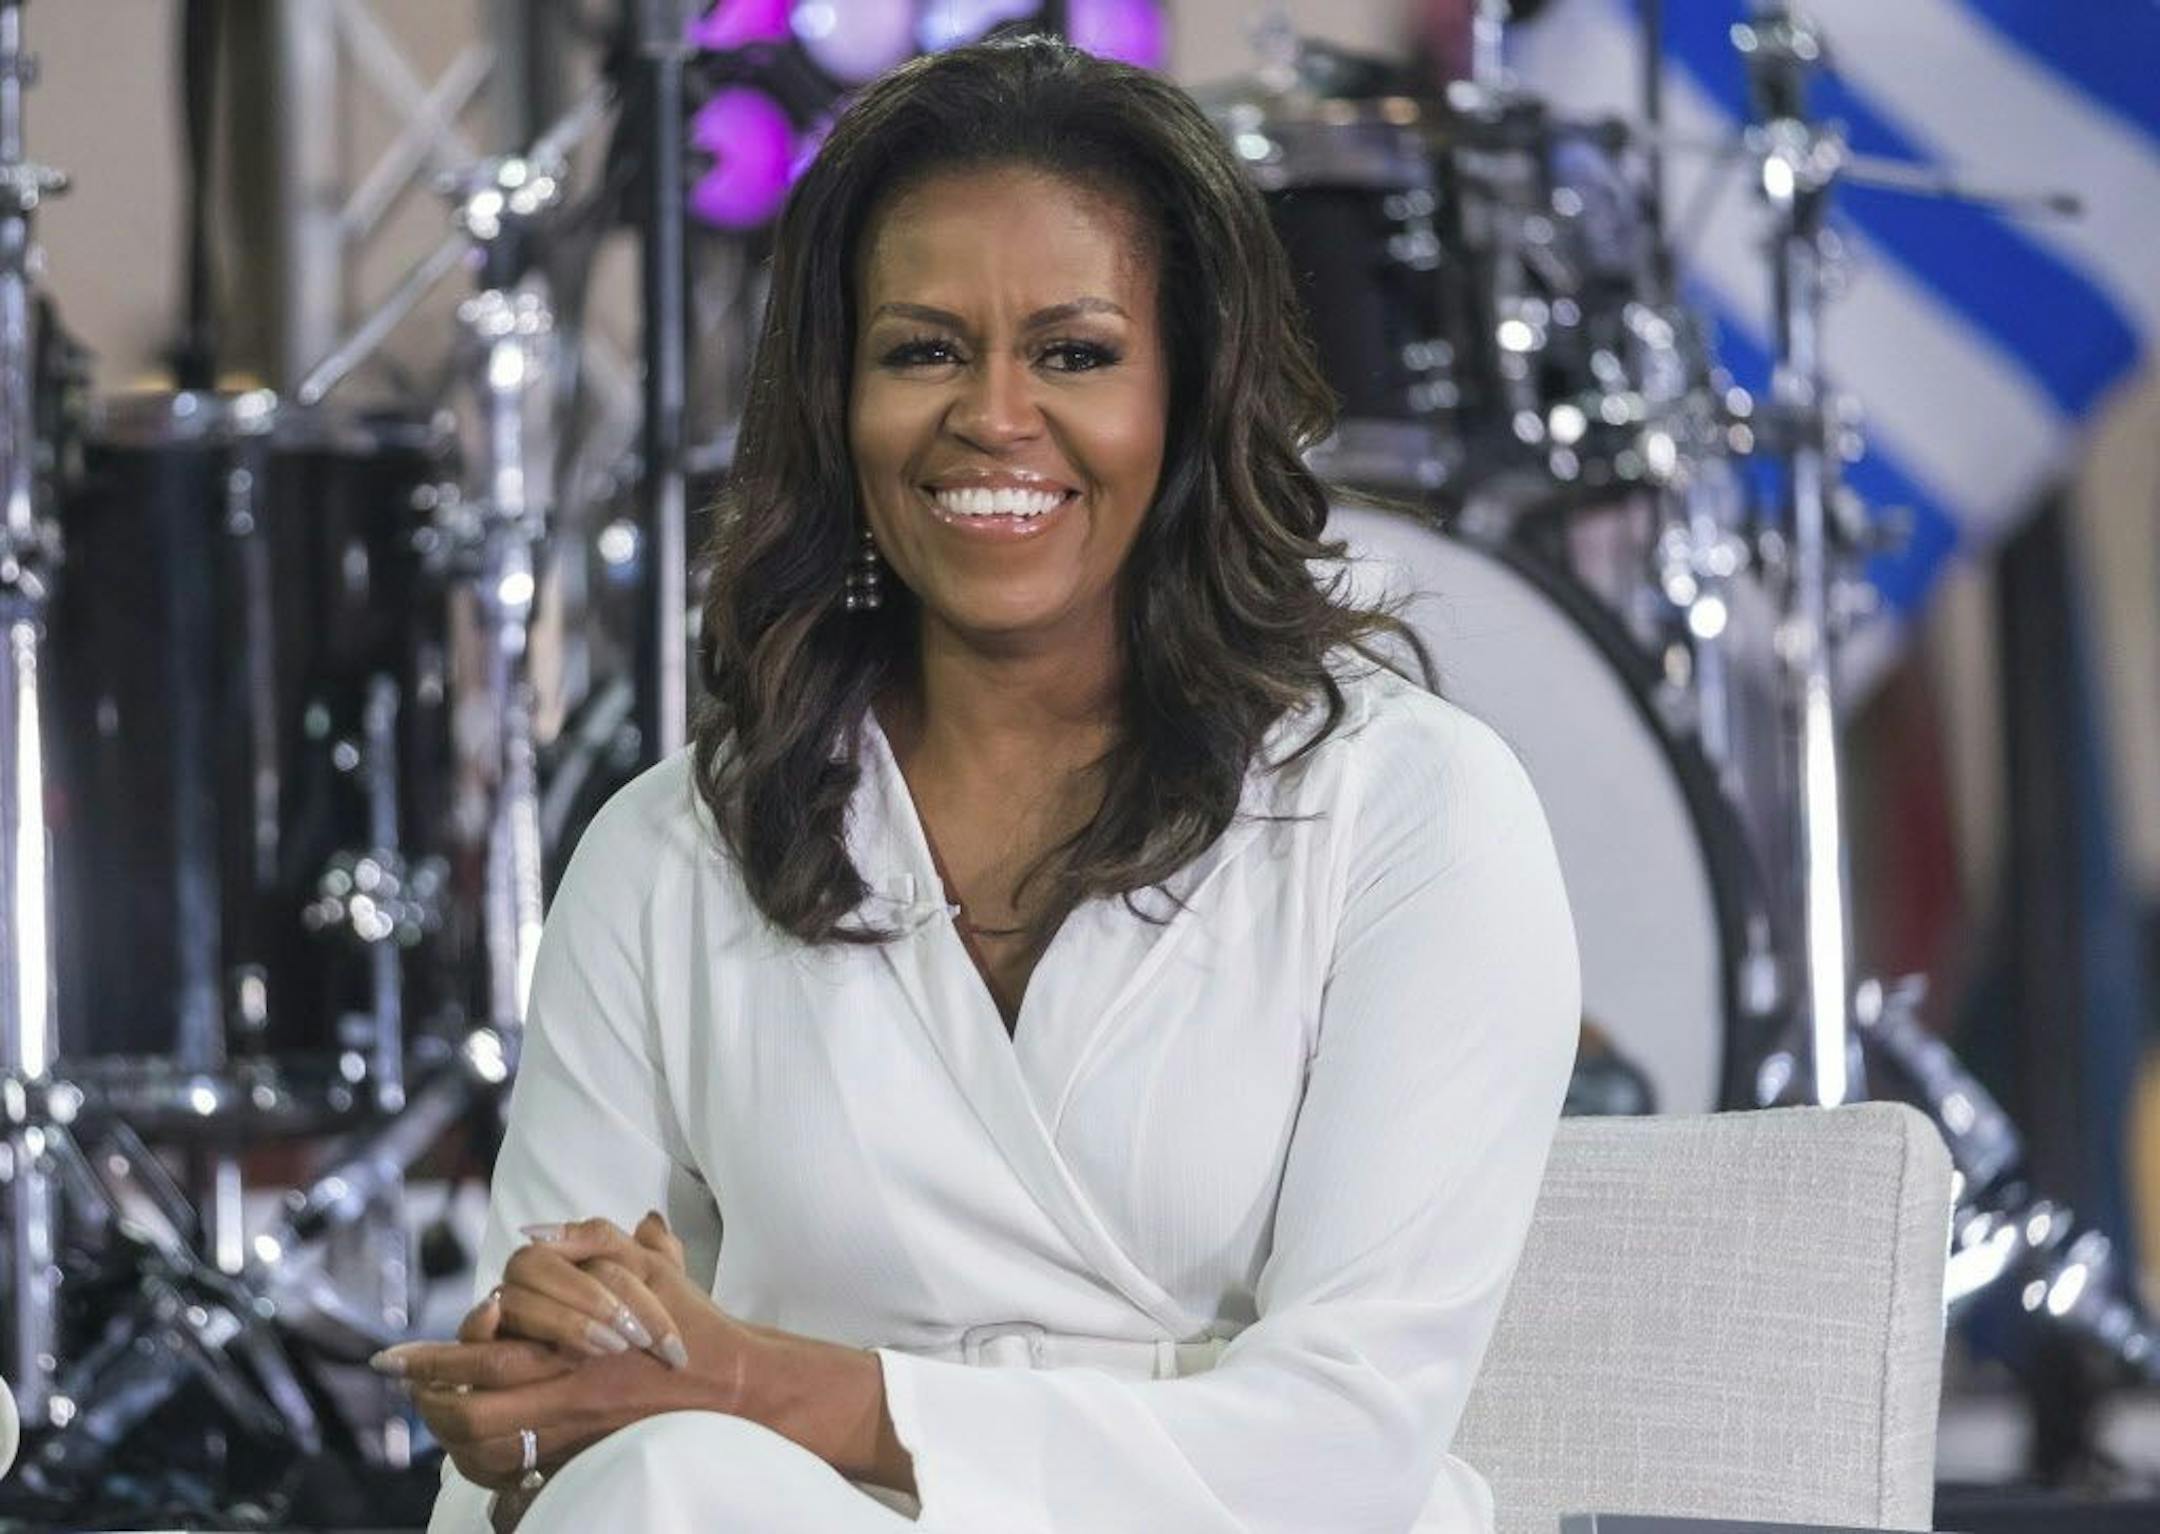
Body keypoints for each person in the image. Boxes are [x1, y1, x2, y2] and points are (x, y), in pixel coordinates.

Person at [380, 34, 1580, 1534]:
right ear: (838, 400)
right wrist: (535, 1394)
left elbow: (1341, 1452)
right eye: (923, 350)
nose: (993, 417)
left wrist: (757, 1379)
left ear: (1193, 396)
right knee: (661, 1478)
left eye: (1075, 352)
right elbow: (551, 1452)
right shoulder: (667, 851)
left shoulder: (1415, 812)